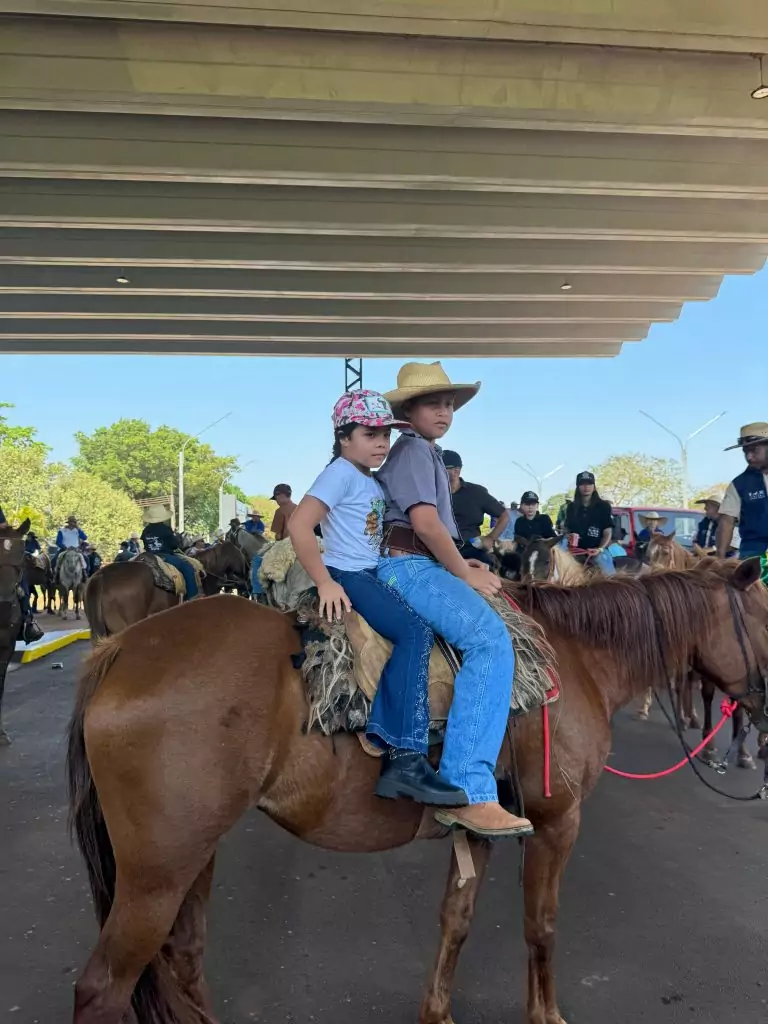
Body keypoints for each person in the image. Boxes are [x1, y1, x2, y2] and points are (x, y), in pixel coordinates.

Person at [376, 360, 534, 839]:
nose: (444, 411)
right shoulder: (413, 452)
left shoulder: (425, 452)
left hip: (421, 559)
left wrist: (467, 561)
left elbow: (436, 528)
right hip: (407, 563)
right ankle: (468, 787)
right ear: (409, 410)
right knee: (489, 640)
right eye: (433, 402)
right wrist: (461, 570)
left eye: (449, 403)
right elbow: (424, 524)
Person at [288, 389, 465, 806]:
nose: (382, 442)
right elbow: (299, 526)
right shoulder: (340, 473)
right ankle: (404, 755)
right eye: (370, 433)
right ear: (344, 437)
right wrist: (326, 581)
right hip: (349, 574)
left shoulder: (365, 477)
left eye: (385, 433)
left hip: (369, 571)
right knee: (415, 633)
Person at [441, 450, 509, 566]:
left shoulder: (476, 493)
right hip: (438, 551)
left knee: (489, 574)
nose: (436, 472)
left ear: (456, 471)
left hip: (470, 550)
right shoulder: (430, 494)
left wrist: (491, 538)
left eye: (442, 468)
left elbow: (504, 515)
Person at [716, 422, 768, 560]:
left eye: (754, 450)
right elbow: (727, 521)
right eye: (745, 452)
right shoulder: (739, 484)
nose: (749, 457)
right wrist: (720, 559)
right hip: (755, 558)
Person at [140, 503, 199, 600]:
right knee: (188, 568)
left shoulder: (146, 530)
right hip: (164, 557)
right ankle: (193, 598)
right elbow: (174, 545)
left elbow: (146, 546)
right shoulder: (165, 529)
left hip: (148, 556)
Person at [562, 471, 616, 575]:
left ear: (594, 486)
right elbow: (567, 528)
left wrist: (599, 549)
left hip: (596, 550)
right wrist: (568, 535)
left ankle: (613, 588)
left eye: (589, 483)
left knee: (607, 571)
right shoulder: (571, 507)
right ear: (578, 487)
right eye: (582, 484)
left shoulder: (603, 506)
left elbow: (607, 532)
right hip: (574, 550)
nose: (586, 487)